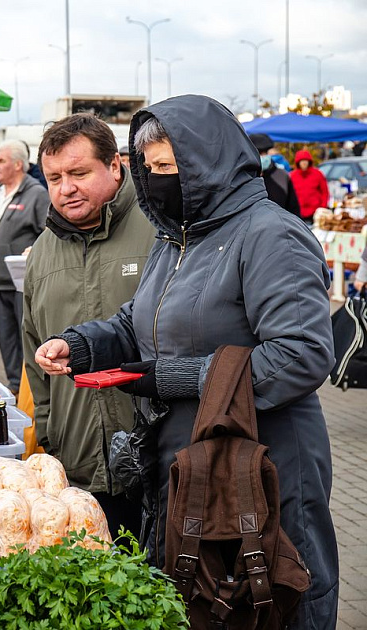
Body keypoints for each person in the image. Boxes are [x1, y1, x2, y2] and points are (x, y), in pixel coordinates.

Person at [34, 95, 339, 628]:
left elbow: (303, 353)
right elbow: (137, 322)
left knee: (277, 598)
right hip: (195, 464)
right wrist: (80, 344)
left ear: (208, 163)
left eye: (167, 168)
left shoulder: (270, 234)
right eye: (148, 168)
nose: (153, 180)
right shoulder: (177, 238)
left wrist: (176, 378)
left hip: (265, 467)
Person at [22, 114, 155, 539]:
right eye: (54, 177)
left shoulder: (159, 230)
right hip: (78, 464)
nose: (66, 188)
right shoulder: (43, 251)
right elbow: (32, 350)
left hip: (157, 458)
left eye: (79, 173)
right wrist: (49, 433)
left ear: (115, 166)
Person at [0, 140, 48, 394]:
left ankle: (31, 389)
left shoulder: (36, 194)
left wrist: (35, 251)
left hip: (23, 282)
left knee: (25, 337)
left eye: (1, 161)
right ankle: (14, 385)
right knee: (6, 338)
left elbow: (49, 234)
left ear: (18, 165)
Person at [249, 133, 301, 216]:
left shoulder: (282, 176)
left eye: (265, 152)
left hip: (280, 226)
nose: (263, 156)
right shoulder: (244, 176)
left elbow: (293, 208)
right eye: (259, 153)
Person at [290, 148, 329, 223]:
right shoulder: (292, 176)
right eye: (301, 161)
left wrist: (322, 208)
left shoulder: (318, 174)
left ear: (309, 162)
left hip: (315, 212)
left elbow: (325, 192)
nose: (304, 163)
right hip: (298, 212)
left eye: (306, 160)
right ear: (298, 163)